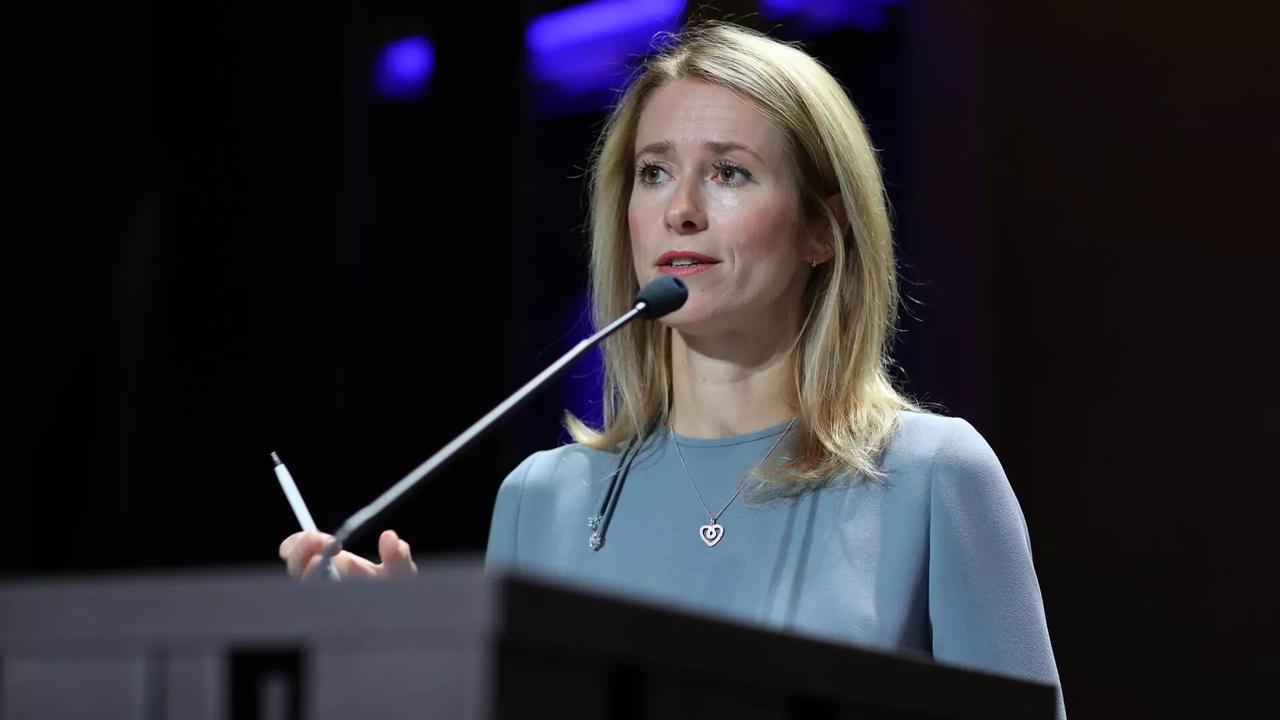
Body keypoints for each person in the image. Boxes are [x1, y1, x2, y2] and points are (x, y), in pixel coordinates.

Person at [280, 22, 1066, 718]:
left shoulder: (931, 475)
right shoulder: (541, 500)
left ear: (823, 230)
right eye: (654, 172)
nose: (679, 209)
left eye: (729, 173)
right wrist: (425, 673)